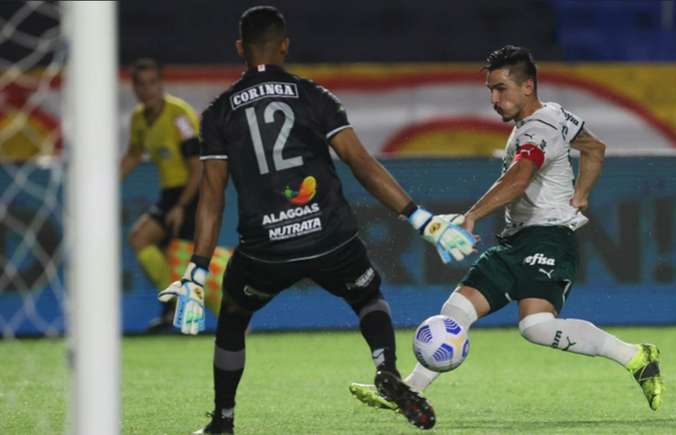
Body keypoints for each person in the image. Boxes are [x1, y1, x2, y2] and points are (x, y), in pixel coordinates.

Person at [158, 6, 476, 434]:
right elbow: (360, 163)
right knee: (368, 298)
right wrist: (421, 219)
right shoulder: (314, 97)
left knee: (233, 319)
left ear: (240, 49)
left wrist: (196, 270)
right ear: (285, 45)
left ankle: (223, 422)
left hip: (265, 251)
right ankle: (386, 369)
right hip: (331, 238)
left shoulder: (217, 114)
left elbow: (211, 199)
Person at [350, 45, 664, 416]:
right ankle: (403, 392)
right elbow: (595, 148)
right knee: (458, 309)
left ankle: (635, 356)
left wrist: (472, 215)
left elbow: (519, 178)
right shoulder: (554, 114)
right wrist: (581, 194)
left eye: (501, 89)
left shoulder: (537, 130)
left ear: (527, 86)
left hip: (548, 236)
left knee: (536, 326)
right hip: (519, 239)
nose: (494, 99)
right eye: (490, 91)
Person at [120, 58, 206, 332]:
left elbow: (198, 167)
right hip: (171, 192)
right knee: (142, 241)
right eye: (141, 84)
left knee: (182, 258)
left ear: (161, 84)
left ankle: (196, 316)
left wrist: (182, 205)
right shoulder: (138, 119)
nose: (147, 89)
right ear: (134, 88)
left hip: (194, 191)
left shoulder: (179, 116)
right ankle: (174, 310)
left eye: (152, 83)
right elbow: (134, 155)